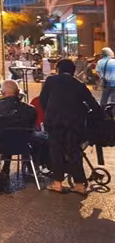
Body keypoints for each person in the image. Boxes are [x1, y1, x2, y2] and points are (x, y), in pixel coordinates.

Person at [40, 58, 101, 195]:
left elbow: (43, 100)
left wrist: (50, 113)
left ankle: (57, 183)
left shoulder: (50, 81)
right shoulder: (79, 84)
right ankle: (79, 185)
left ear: (58, 70)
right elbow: (94, 106)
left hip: (54, 123)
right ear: (73, 72)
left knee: (56, 151)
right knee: (74, 152)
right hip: (74, 124)